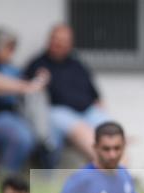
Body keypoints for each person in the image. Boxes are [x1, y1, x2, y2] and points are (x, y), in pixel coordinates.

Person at [0, 27, 49, 173]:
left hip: (13, 118)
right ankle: (5, 180)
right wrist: (25, 86)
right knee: (20, 138)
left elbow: (31, 86)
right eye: (8, 47)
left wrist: (39, 80)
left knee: (43, 137)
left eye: (13, 48)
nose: (11, 51)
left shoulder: (12, 68)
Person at [25, 23, 110, 161]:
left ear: (70, 44)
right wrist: (40, 82)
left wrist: (101, 112)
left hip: (87, 111)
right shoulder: (38, 64)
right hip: (57, 112)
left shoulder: (77, 64)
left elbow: (96, 96)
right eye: (55, 39)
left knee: (112, 131)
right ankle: (108, 168)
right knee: (82, 130)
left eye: (62, 41)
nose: (57, 43)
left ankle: (124, 174)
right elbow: (30, 95)